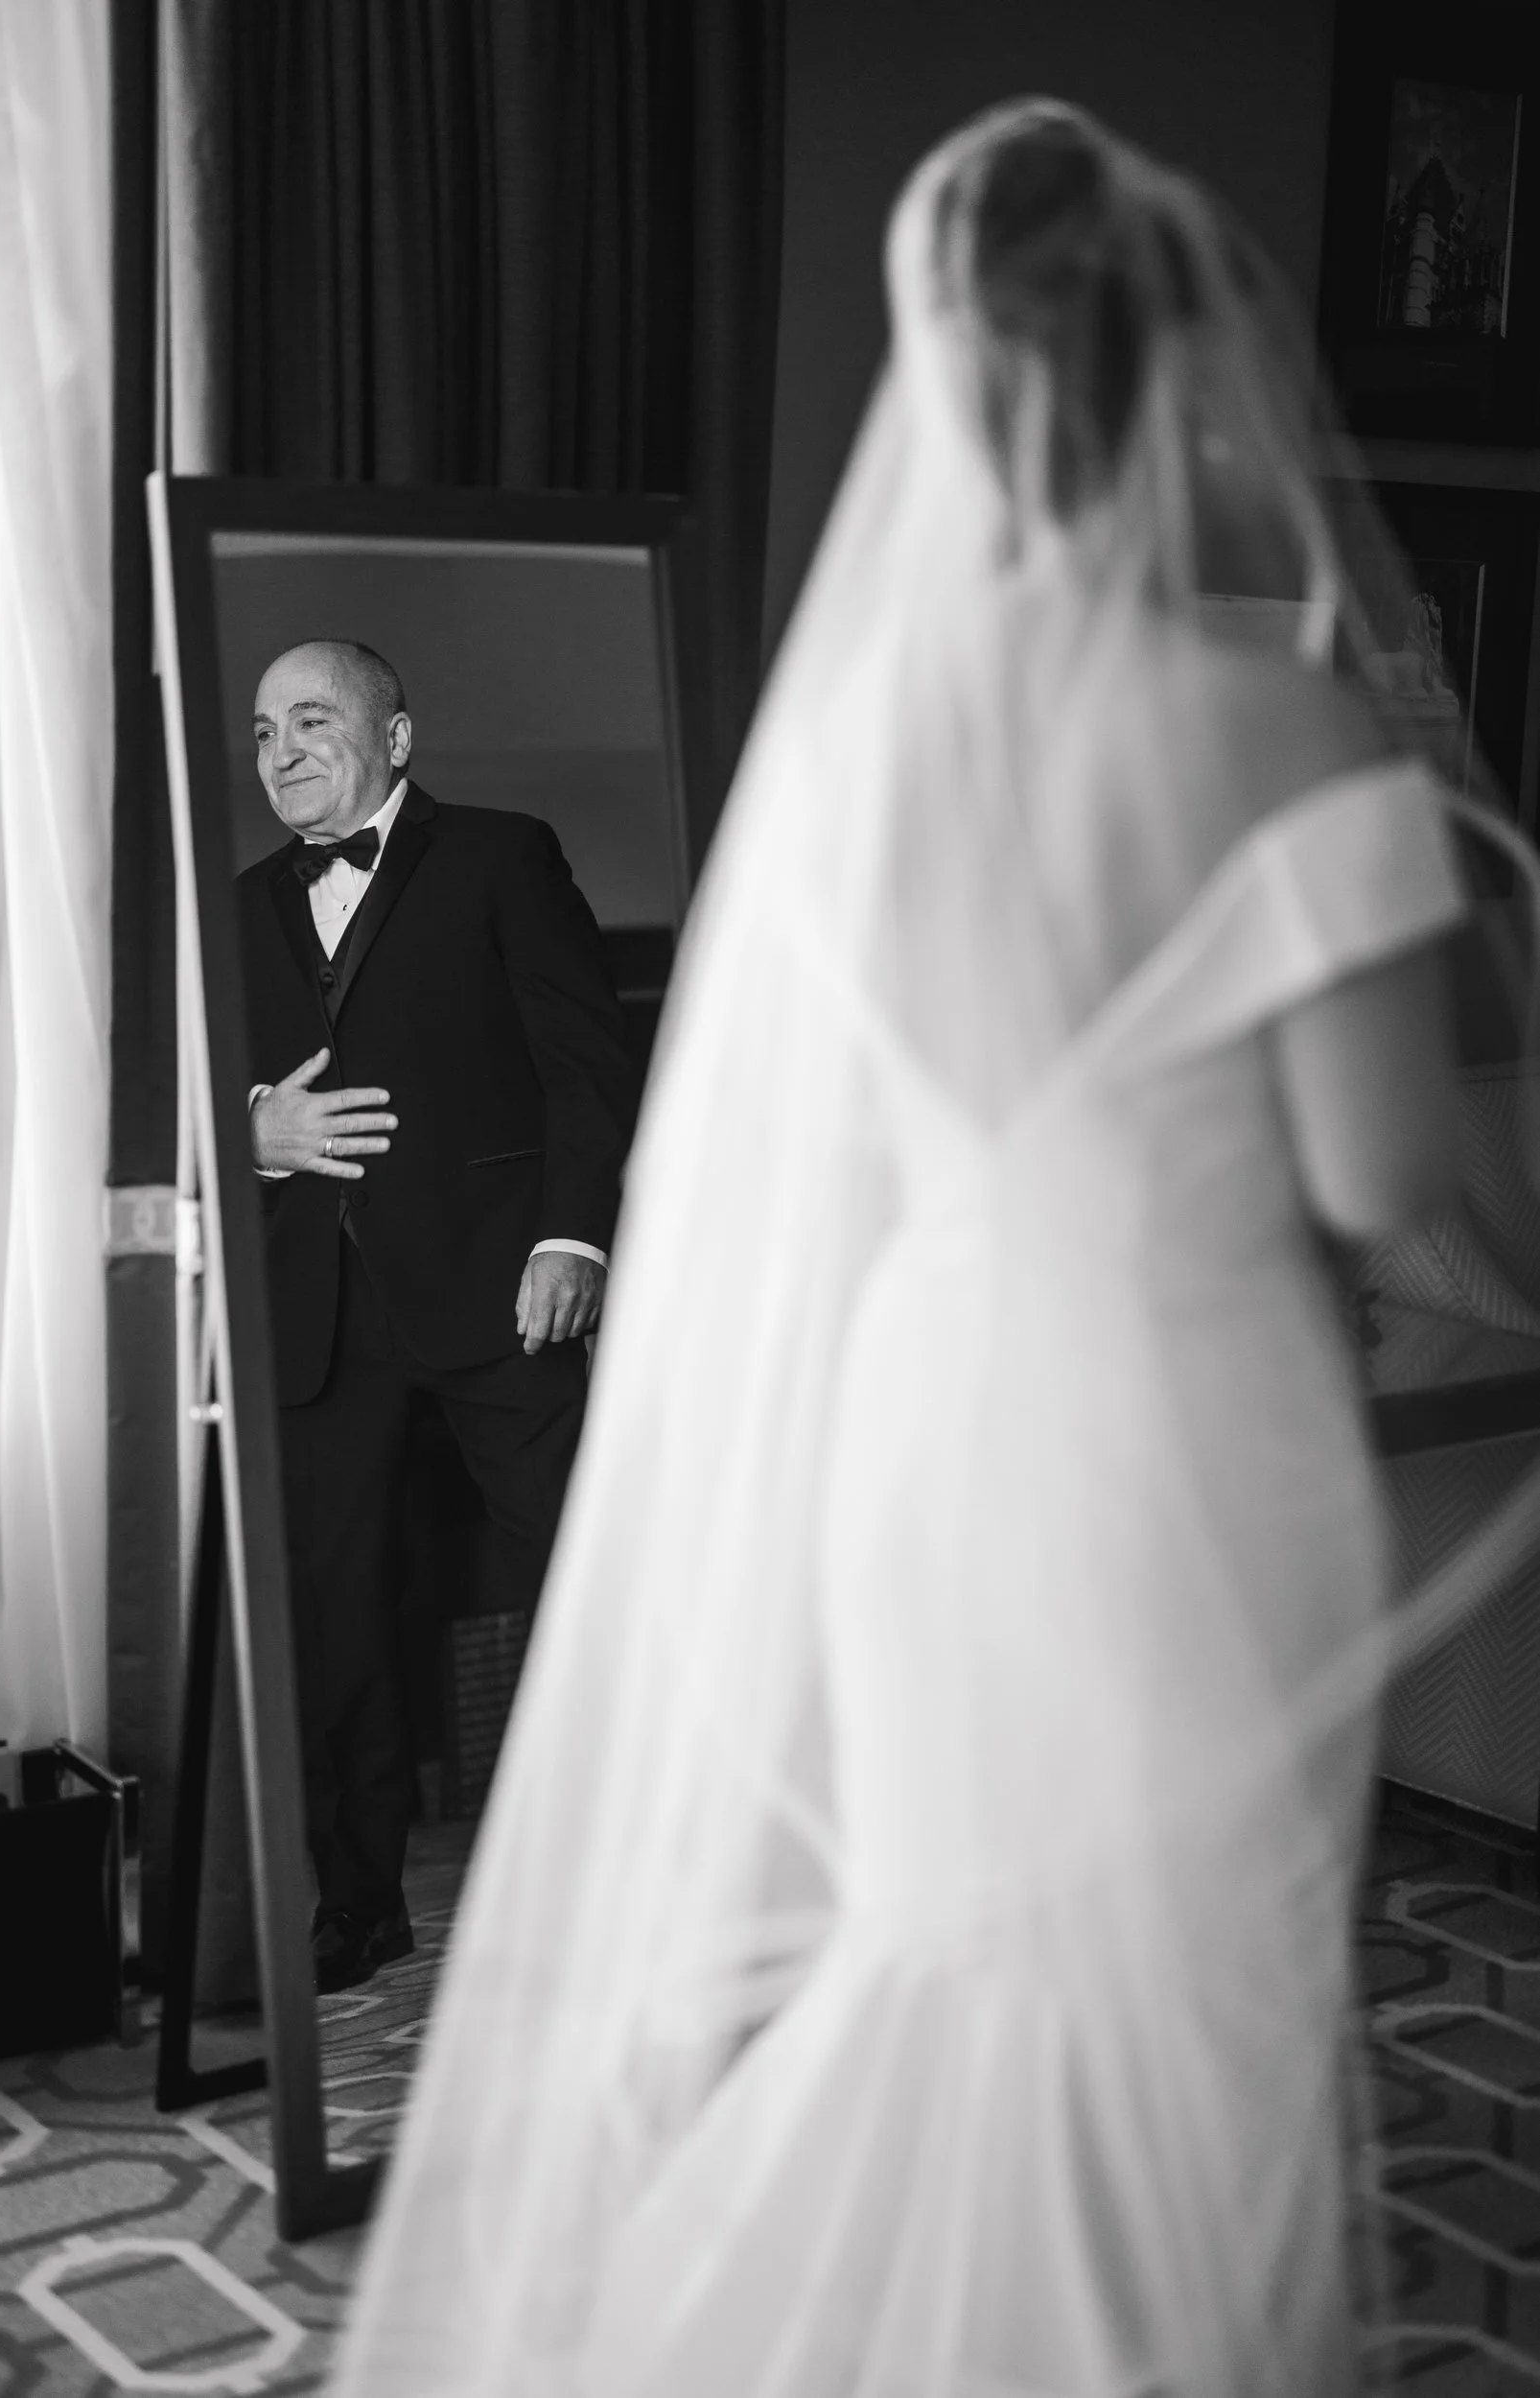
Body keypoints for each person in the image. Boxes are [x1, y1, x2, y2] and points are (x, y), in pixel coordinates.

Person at [331, 103, 1532, 2394]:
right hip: (1174, 1420)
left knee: (954, 1932)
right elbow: (1384, 1168)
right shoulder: (1283, 724)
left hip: (936, 1403)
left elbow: (819, 1144)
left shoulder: (858, 748)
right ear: (1180, 386)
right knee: (1161, 1969)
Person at [238, 638, 634, 1994]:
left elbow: (586, 1062)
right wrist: (254, 1127)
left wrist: (573, 1237)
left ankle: (612, 1874)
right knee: (335, 1619)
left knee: (580, 1578)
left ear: (395, 738)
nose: (282, 751)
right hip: (318, 1316)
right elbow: (193, 1087)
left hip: (503, 1291)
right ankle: (357, 1905)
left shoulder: (503, 856)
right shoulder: (240, 904)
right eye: (262, 731)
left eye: (312, 720)